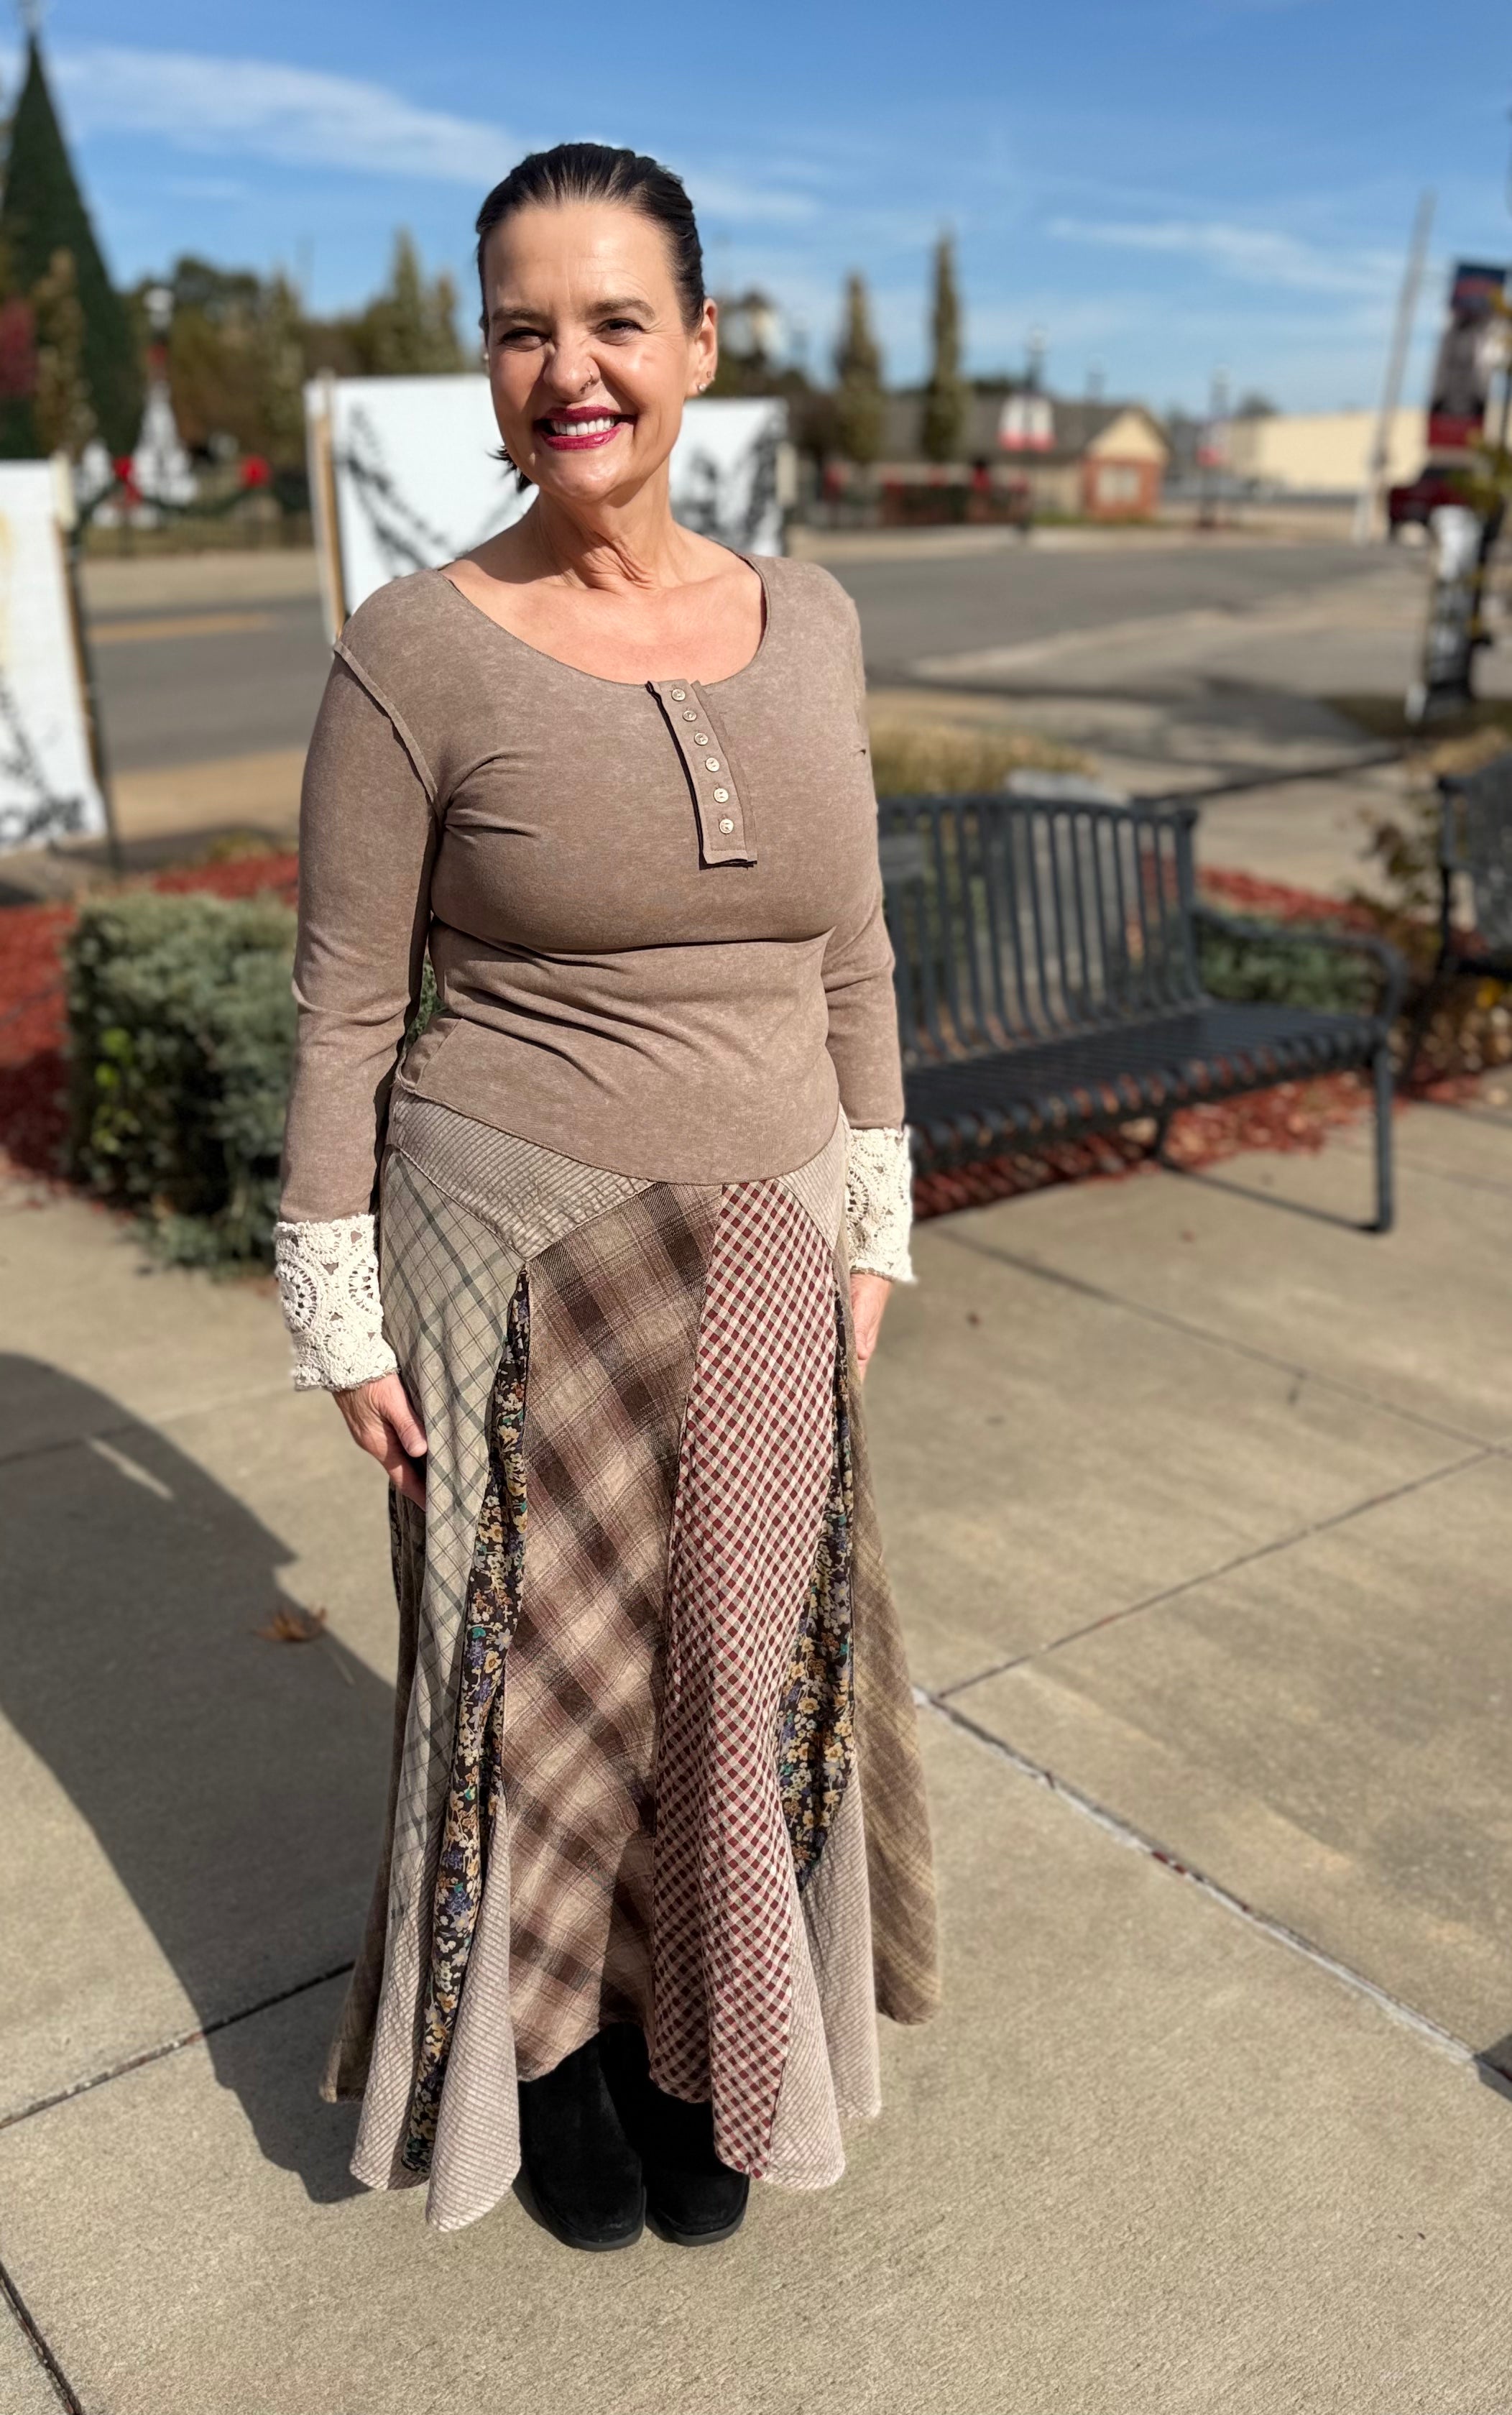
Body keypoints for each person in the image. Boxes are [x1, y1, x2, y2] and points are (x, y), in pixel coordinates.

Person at [275, 142, 938, 2253]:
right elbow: (341, 1007)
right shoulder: (415, 648)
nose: (572, 368)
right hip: (509, 1248)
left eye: (616, 322)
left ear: (700, 349)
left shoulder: (811, 616)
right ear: (488, 367)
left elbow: (855, 956)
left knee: (734, 1671)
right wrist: (338, 1308)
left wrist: (875, 1214)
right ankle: (549, 2058)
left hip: (767, 1238)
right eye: (523, 328)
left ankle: (703, 2037)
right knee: (534, 1689)